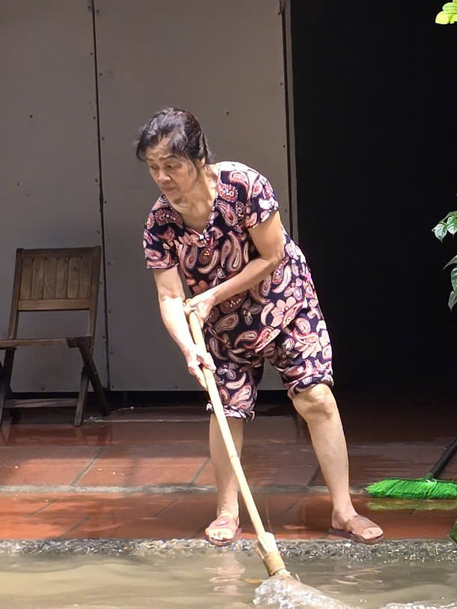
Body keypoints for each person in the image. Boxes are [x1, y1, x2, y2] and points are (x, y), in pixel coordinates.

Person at [138, 107, 383, 545]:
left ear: (198, 159)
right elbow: (170, 296)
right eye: (154, 167)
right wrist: (187, 347)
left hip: (284, 303)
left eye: (172, 166)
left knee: (316, 398)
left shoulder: (244, 185)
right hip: (222, 328)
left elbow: (270, 257)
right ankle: (227, 512)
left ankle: (344, 511)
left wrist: (212, 294)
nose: (163, 177)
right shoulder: (160, 223)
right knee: (225, 410)